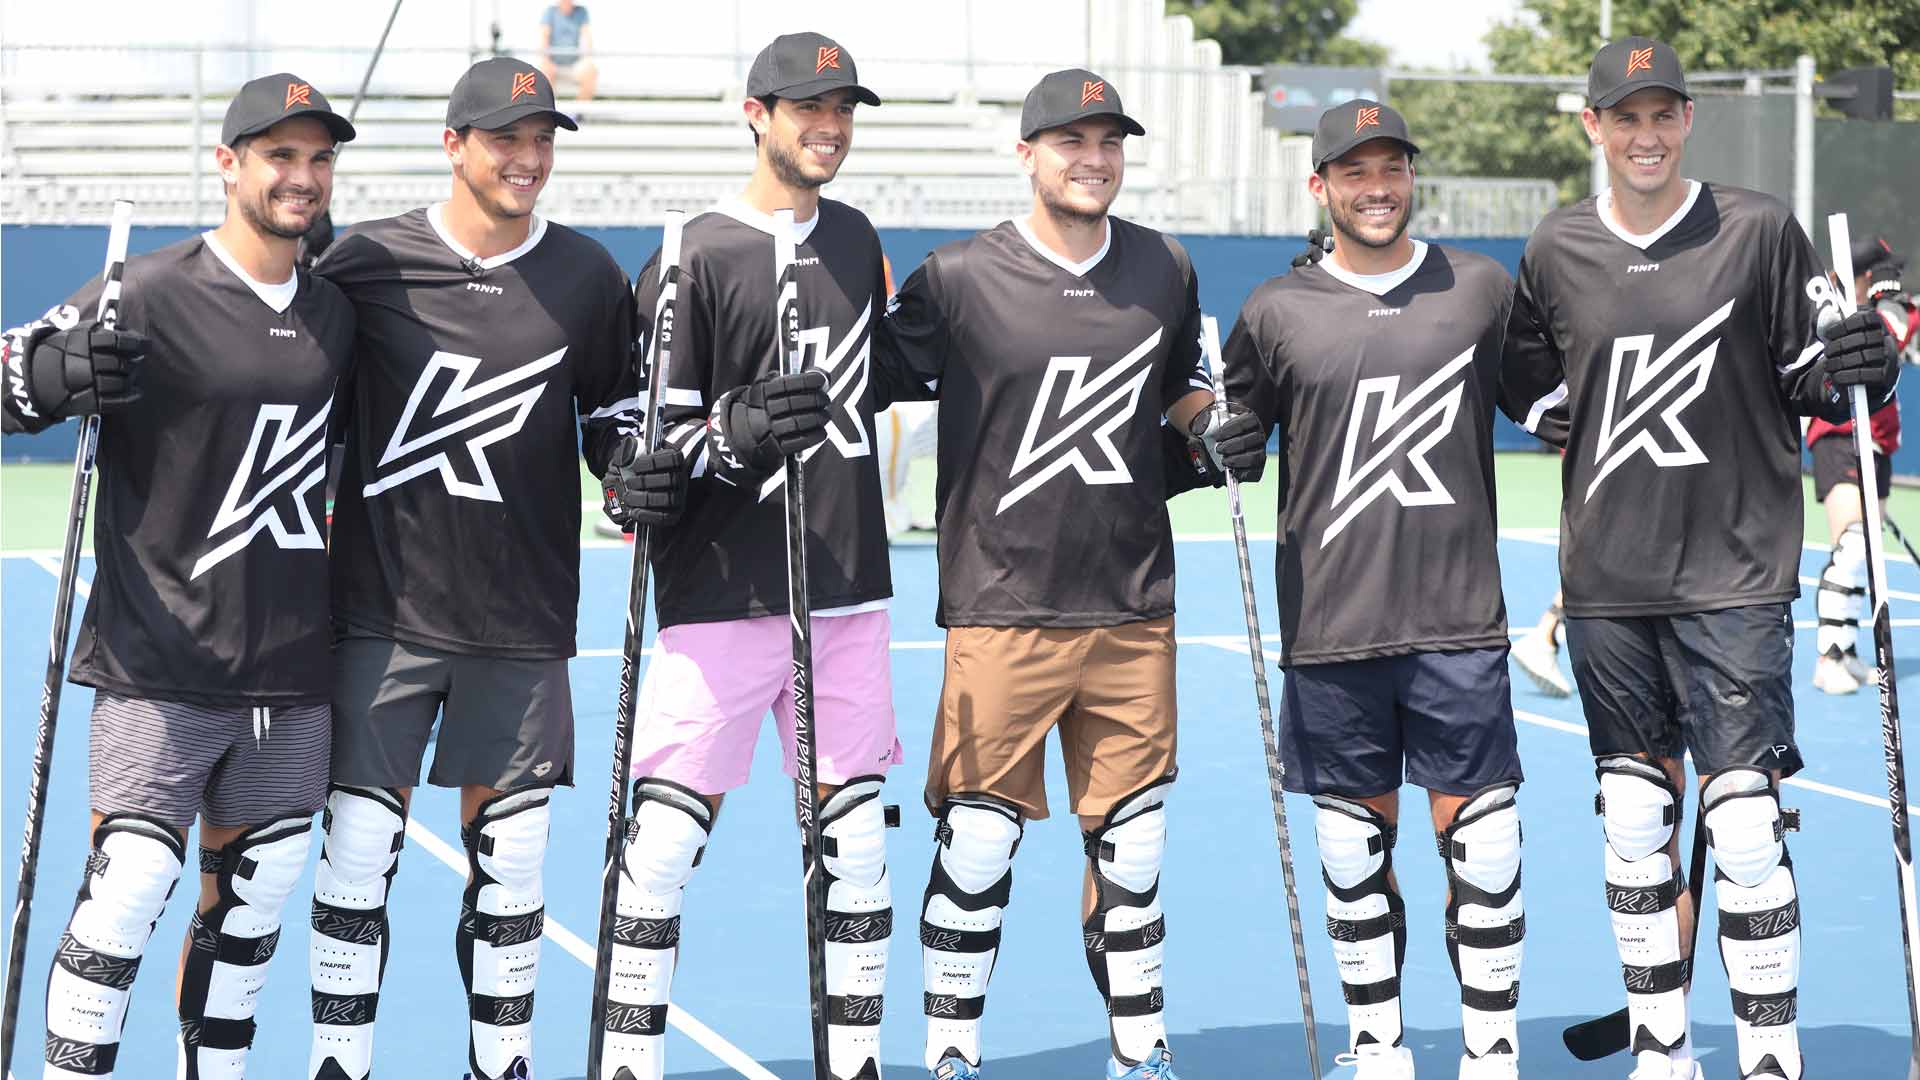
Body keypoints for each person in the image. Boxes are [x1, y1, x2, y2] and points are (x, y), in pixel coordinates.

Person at [1502, 36, 1899, 1080]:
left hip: (1733, 569)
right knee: (1633, 813)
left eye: (1663, 114)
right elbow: (1537, 391)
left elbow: (1824, 378)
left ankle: (1770, 1054)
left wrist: (1874, 360)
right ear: (1592, 126)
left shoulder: (1760, 228)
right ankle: (1662, 1047)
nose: (1645, 134)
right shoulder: (1555, 249)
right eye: (1623, 116)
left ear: (1687, 121)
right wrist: (1582, 427)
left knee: (1745, 818)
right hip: (1607, 579)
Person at [873, 68, 1260, 1080]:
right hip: (1001, 606)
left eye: (1109, 144)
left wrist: (1211, 427)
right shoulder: (957, 277)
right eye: (1071, 143)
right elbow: (860, 380)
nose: (1094, 161)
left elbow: (1182, 383)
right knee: (977, 849)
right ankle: (952, 1053)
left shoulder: (1164, 267)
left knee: (1134, 852)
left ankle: (1141, 1053)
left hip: (1134, 604)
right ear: (1027, 154)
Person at [305, 58, 681, 1080]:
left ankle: (500, 1063)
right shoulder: (368, 263)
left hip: (521, 616)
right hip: (381, 613)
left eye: (542, 139)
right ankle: (339, 1062)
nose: (527, 158)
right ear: (454, 143)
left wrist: (629, 470)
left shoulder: (588, 275)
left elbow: (611, 412)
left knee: (512, 862)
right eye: (507, 138)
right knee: (355, 856)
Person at [3, 74, 356, 1079]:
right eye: (279, 155)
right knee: (125, 894)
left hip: (289, 674)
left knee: (248, 915)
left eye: (318, 158)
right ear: (229, 163)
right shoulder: (146, 288)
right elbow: (9, 375)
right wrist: (52, 375)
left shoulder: (337, 314)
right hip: (158, 664)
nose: (301, 176)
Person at [598, 31, 901, 1080]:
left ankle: (855, 1061)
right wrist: (729, 435)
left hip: (848, 586)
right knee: (667, 841)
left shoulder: (860, 240)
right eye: (808, 107)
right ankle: (630, 1059)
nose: (829, 126)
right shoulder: (690, 253)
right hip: (721, 589)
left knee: (858, 845)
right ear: (756, 113)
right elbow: (647, 462)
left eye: (844, 109)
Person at [1220, 99, 1526, 1080]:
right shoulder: (1274, 310)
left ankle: (1490, 1051)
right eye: (1355, 172)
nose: (1377, 187)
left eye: (1392, 168)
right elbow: (1223, 440)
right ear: (1322, 187)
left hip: (1457, 622)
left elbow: (1570, 397)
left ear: (1410, 178)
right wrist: (1209, 445)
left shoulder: (1479, 288)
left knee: (1485, 851)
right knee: (1354, 861)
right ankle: (1379, 1045)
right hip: (1331, 626)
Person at [1806, 234, 1908, 694]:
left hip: (1880, 442)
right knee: (1851, 543)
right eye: (1883, 272)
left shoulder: (1895, 310)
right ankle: (1827, 657)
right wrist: (1871, 307)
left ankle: (1846, 651)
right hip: (1841, 435)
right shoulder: (1829, 311)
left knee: (1863, 550)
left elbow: (1899, 333)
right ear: (1864, 276)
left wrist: (1890, 305)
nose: (1894, 278)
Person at [537, 0, 597, 107]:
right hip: (553, 64)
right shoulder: (550, 12)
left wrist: (586, 59)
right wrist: (546, 60)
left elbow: (587, 38)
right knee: (544, 71)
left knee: (591, 71)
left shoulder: (582, 12)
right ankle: (550, 113)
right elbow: (544, 38)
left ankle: (578, 113)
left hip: (574, 65)